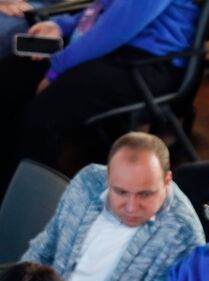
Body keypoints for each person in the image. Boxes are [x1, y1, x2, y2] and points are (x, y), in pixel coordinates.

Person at [19, 133, 204, 281]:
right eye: (121, 192)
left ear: (167, 181)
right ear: (108, 177)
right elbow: (46, 245)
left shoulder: (183, 234)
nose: (132, 207)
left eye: (145, 194)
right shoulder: (87, 182)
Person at [0, 0, 198, 185]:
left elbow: (115, 28)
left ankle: (23, 201)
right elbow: (103, 9)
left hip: (148, 62)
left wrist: (56, 69)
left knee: (42, 116)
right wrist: (61, 25)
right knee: (11, 78)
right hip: (113, 46)